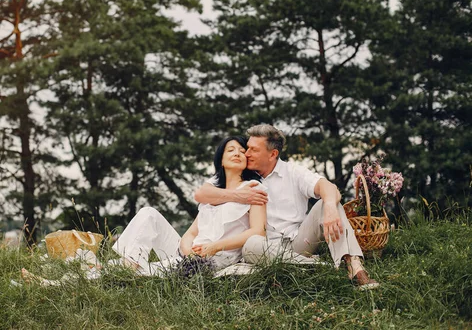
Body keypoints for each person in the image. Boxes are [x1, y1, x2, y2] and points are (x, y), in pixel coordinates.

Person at [22, 136, 267, 284]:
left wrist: (214, 247)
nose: (236, 153)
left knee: (137, 272)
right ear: (220, 159)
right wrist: (185, 248)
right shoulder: (213, 191)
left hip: (214, 259)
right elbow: (192, 231)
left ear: (247, 159)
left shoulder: (254, 188)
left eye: (240, 151)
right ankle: (127, 266)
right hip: (189, 254)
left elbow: (257, 231)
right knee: (149, 213)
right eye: (229, 150)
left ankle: (56, 283)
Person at [194, 124, 379, 290]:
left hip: (298, 241)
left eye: (253, 150)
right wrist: (237, 195)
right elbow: (201, 194)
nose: (246, 153)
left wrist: (330, 206)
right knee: (251, 244)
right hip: (264, 247)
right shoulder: (242, 174)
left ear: (272, 154)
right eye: (247, 148)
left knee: (327, 201)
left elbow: (328, 187)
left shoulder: (292, 172)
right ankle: (317, 268)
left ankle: (355, 267)